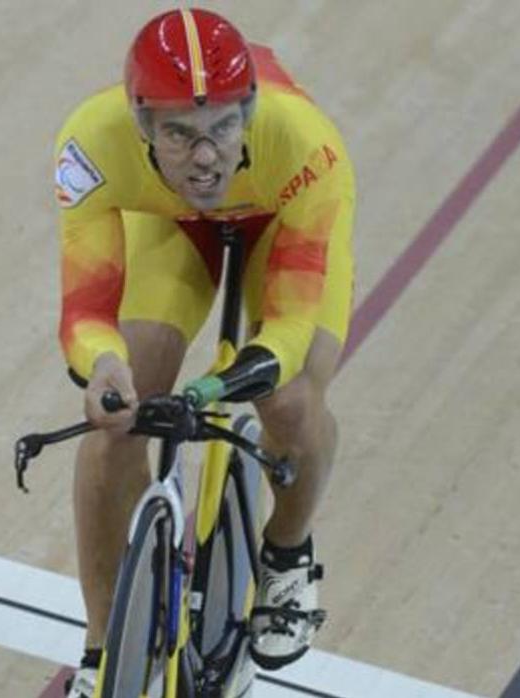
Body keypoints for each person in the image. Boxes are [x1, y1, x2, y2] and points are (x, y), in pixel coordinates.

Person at [53, 8, 356, 696]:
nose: (207, 154)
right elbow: (86, 308)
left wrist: (217, 387)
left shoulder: (306, 145)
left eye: (224, 126)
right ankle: (104, 653)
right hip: (173, 229)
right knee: (114, 423)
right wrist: (104, 366)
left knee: (291, 396)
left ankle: (286, 550)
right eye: (181, 133)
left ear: (249, 111)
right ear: (140, 125)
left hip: (279, 223)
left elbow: (286, 330)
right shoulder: (90, 145)